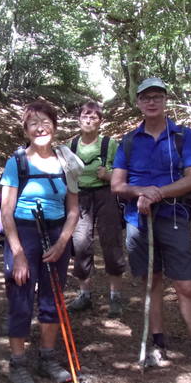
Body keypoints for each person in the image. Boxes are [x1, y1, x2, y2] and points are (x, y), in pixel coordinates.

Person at [111, 76, 191, 372]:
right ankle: (158, 344)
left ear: (165, 101)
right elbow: (117, 185)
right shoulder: (128, 140)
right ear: (138, 102)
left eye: (157, 97)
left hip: (173, 217)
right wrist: (142, 192)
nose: (151, 102)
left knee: (185, 284)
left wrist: (158, 193)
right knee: (151, 283)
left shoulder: (183, 136)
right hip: (138, 220)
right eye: (146, 97)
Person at [0, 100, 84, 383]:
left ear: (55, 127)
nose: (40, 128)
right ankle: (18, 363)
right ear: (25, 129)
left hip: (56, 232)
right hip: (24, 233)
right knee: (20, 297)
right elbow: (6, 212)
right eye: (33, 123)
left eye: (46, 122)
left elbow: (73, 209)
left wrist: (62, 243)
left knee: (53, 297)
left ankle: (47, 358)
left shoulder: (66, 161)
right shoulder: (17, 162)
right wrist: (18, 254)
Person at [66, 100, 128, 318]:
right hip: (80, 196)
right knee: (80, 242)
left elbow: (123, 174)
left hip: (106, 194)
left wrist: (108, 175)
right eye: (85, 115)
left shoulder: (110, 144)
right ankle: (84, 294)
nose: (88, 120)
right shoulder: (71, 146)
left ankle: (115, 296)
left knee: (111, 241)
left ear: (101, 121)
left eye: (93, 116)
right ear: (78, 119)